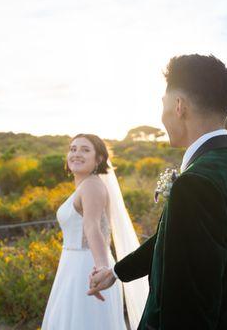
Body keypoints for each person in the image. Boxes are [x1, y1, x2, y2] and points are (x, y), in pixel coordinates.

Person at [88, 54, 227, 329]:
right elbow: (172, 239)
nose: (162, 115)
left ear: (179, 106)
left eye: (163, 104)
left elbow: (189, 305)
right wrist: (118, 272)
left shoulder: (196, 184)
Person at [42, 133, 149, 329]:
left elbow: (92, 227)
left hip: (86, 268)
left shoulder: (91, 186)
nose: (76, 154)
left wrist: (101, 268)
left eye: (85, 149)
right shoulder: (85, 186)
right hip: (72, 266)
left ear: (98, 159)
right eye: (73, 149)